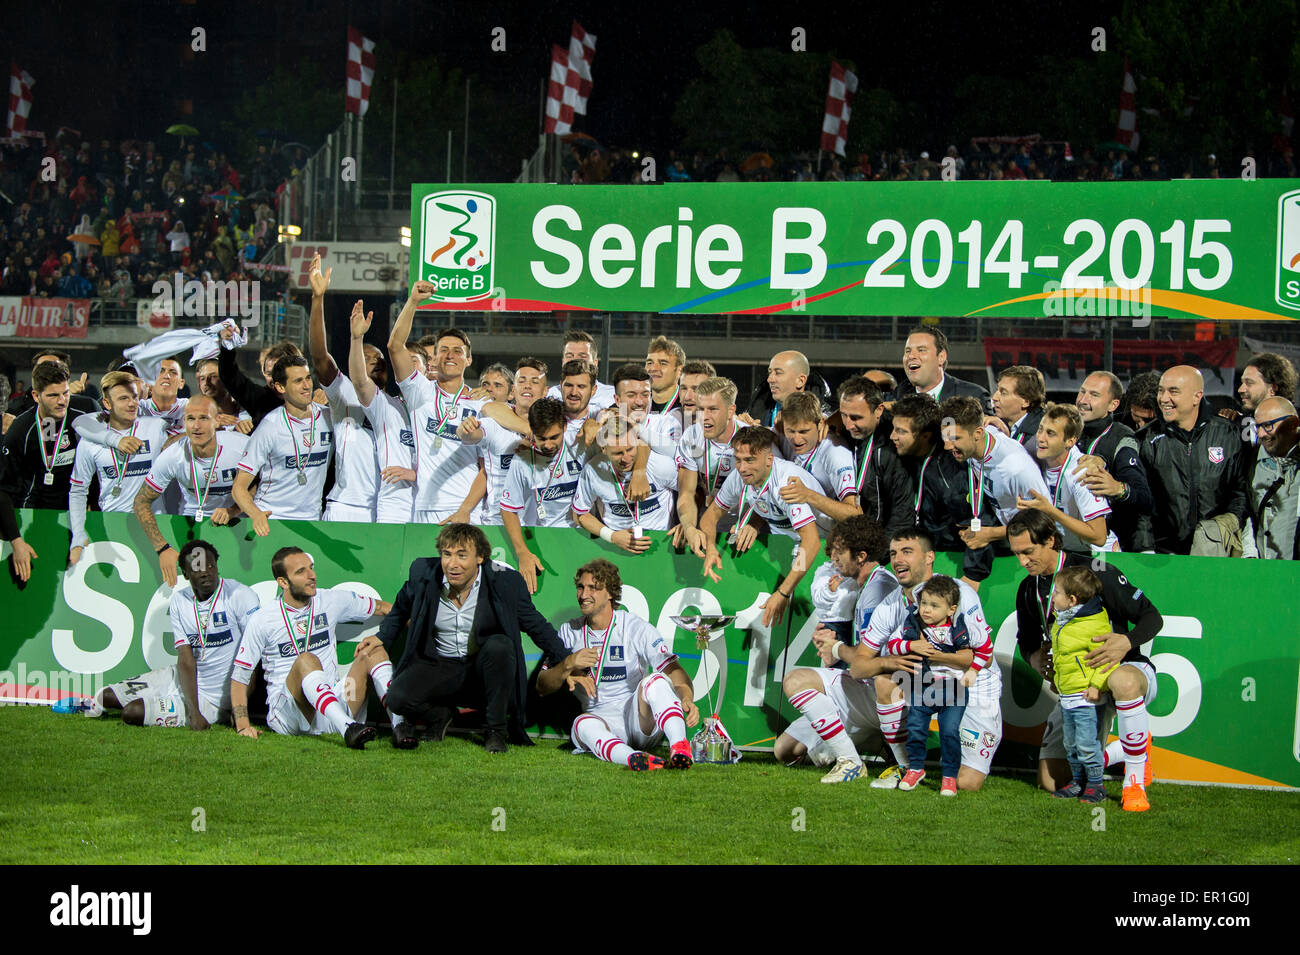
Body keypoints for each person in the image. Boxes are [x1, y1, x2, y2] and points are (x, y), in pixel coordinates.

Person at [1007, 508, 1161, 812]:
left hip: (1123, 673)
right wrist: (1034, 659)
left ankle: (1133, 784)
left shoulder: (1096, 571)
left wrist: (1125, 642)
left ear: (1051, 540)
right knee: (1052, 781)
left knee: (1124, 680)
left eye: (1028, 551)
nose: (1023, 561)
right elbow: (1025, 641)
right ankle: (1132, 750)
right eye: (1016, 554)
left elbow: (1151, 617)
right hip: (1078, 689)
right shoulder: (1028, 588)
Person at [834, 528, 1003, 792]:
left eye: (907, 552)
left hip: (973, 684)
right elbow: (858, 667)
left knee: (968, 783)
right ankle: (908, 766)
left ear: (929, 558)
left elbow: (985, 658)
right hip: (927, 686)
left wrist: (936, 656)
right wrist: (890, 662)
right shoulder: (890, 605)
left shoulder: (959, 594)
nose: (898, 559)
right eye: (893, 553)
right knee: (884, 680)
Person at [379, 523, 572, 753]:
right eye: (447, 554)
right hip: (439, 664)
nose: (453, 564)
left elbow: (537, 626)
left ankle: (495, 731)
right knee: (397, 699)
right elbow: (401, 608)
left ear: (480, 557)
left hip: (483, 670)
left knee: (500, 646)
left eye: (462, 555)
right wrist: (382, 638)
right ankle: (440, 715)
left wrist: (568, 661)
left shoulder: (505, 582)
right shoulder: (423, 572)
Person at [538, 559, 699, 770]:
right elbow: (542, 686)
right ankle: (634, 759)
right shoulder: (569, 631)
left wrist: (686, 698)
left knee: (655, 681)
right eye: (580, 587)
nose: (583, 594)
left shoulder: (635, 628)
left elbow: (674, 671)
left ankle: (679, 746)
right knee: (581, 724)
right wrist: (568, 664)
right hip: (600, 718)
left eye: (593, 588)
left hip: (639, 719)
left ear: (611, 593)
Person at [230, 546, 392, 748]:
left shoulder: (331, 600)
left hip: (332, 707)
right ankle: (347, 727)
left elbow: (385, 608)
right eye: (301, 572)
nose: (312, 575)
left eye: (311, 568)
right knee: (307, 659)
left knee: (373, 650)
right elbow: (240, 677)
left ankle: (400, 726)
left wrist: (425, 622)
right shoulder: (263, 619)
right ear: (283, 582)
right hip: (290, 713)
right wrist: (243, 725)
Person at [775, 515, 897, 780]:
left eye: (840, 552)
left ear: (861, 555)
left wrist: (838, 648)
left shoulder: (879, 591)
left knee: (795, 680)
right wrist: (834, 647)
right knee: (785, 749)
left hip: (884, 692)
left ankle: (851, 760)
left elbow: (870, 660)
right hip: (867, 689)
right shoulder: (868, 586)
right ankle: (877, 741)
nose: (833, 559)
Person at [95, 540, 260, 729]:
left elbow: (253, 658)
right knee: (105, 696)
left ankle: (170, 705)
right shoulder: (180, 601)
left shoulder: (239, 595)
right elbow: (185, 658)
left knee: (132, 712)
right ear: (186, 573)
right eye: (197, 568)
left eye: (210, 565)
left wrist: (238, 710)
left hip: (212, 700)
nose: (206, 572)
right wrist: (193, 711)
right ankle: (83, 704)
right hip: (180, 678)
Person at [697, 426, 821, 627]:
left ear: (769, 459)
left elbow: (811, 542)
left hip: (821, 547)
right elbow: (710, 517)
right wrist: (711, 547)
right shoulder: (740, 477)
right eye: (738, 460)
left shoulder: (785, 483)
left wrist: (782, 592)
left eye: (750, 460)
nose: (742, 468)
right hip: (788, 544)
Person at [889, 575, 990, 796]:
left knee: (949, 731)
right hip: (924, 685)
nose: (926, 610)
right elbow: (893, 646)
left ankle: (949, 778)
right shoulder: (912, 622)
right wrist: (911, 645)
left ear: (951, 609)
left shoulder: (961, 625)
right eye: (924, 603)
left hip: (954, 689)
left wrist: (973, 671)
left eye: (934, 605)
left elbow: (985, 650)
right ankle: (915, 769)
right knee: (915, 727)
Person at [134, 395, 248, 586]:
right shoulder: (173, 456)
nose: (196, 426)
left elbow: (258, 486)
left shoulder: (240, 446)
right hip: (193, 526)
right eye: (190, 419)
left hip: (238, 523)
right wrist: (162, 548)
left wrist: (233, 510)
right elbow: (140, 502)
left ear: (218, 420)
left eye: (203, 418)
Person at [1136, 365, 1247, 555]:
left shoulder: (1228, 434)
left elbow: (1240, 491)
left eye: (1173, 392)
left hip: (1215, 553)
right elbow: (1142, 503)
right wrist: (1145, 548)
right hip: (1164, 555)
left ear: (1197, 396)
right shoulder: (1146, 439)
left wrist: (1224, 529)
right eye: (1161, 391)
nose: (1163, 399)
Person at [889, 393, 993, 587]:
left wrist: (972, 577)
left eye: (900, 431)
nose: (892, 436)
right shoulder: (908, 454)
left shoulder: (952, 471)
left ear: (925, 435)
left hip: (951, 562)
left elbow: (978, 523)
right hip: (917, 557)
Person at [67, 371, 169, 567]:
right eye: (123, 398)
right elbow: (78, 491)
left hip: (154, 527)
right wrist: (78, 535)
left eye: (134, 397)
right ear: (107, 403)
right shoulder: (91, 441)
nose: (132, 404)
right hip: (112, 526)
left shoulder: (156, 428)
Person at [500, 397, 598, 592]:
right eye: (541, 438)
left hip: (583, 536)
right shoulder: (522, 461)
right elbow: (508, 509)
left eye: (554, 437)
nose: (548, 444)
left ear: (564, 426)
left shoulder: (580, 445)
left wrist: (594, 423)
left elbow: (622, 431)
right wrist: (522, 553)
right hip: (546, 538)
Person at [232, 355, 334, 532]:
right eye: (298, 381)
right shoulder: (270, 427)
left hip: (312, 520)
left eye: (308, 378)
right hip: (272, 518)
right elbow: (239, 488)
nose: (307, 386)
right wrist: (256, 515)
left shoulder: (329, 418)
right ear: (280, 387)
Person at [0, 361, 81, 581]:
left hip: (72, 521)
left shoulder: (82, 421)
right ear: (36, 396)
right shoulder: (20, 431)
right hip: (29, 520)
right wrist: (16, 541)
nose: (62, 400)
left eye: (65, 393)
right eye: (53, 395)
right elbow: (3, 490)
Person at [344, 298, 421, 524]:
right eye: (406, 362)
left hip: (433, 504)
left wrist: (415, 474)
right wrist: (357, 338)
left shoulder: (442, 413)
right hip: (395, 507)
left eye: (415, 362)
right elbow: (359, 381)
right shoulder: (387, 406)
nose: (410, 368)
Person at [940, 395, 1049, 552]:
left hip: (1029, 544)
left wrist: (990, 534)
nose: (947, 446)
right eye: (945, 438)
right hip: (1004, 530)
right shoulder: (986, 430)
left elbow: (1045, 520)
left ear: (978, 434)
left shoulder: (1017, 468)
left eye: (954, 438)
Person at [1045, 564, 1117, 804]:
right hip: (1068, 696)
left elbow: (1109, 660)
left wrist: (1097, 685)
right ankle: (1078, 781)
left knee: (1087, 743)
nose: (1051, 596)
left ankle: (1096, 785)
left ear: (1072, 599)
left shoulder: (1095, 624)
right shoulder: (1062, 620)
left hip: (1086, 698)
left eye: (1056, 593)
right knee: (1070, 743)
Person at [1020, 402, 1118, 552]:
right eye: (1040, 430)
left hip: (1097, 554)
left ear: (1070, 441)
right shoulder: (1037, 452)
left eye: (1051, 433)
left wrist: (1050, 511)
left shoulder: (1082, 474)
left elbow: (1099, 537)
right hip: (1067, 550)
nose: (1040, 438)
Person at [572, 414, 678, 552]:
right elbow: (580, 515)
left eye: (630, 449)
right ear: (603, 448)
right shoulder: (592, 471)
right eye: (618, 453)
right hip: (615, 547)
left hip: (662, 544)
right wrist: (612, 536)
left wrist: (686, 524)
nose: (626, 458)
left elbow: (691, 493)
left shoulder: (660, 465)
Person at [1071, 371, 1151, 551]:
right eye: (1082, 392)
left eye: (1094, 395)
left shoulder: (1121, 438)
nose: (1083, 400)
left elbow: (1144, 498)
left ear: (1113, 404)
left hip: (1104, 543)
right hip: (1066, 537)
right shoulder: (1065, 428)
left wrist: (1118, 488)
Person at [830, 376, 912, 534]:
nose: (848, 425)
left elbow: (901, 513)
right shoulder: (841, 434)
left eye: (856, 417)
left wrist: (879, 554)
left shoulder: (893, 447)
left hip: (880, 545)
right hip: (851, 539)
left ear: (878, 411)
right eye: (843, 415)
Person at [475, 357, 546, 527]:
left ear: (545, 392)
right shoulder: (495, 420)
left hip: (538, 523)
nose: (527, 385)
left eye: (534, 382)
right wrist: (529, 432)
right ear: (513, 390)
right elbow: (488, 407)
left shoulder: (554, 424)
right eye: (522, 381)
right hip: (497, 522)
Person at [674, 376, 742, 554]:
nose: (705, 417)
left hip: (743, 526)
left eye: (713, 409)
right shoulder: (692, 436)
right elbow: (686, 494)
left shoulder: (750, 439)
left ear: (730, 411)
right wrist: (689, 526)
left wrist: (753, 524)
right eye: (701, 409)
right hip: (706, 521)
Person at [774, 391, 859, 533]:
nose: (796, 439)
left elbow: (855, 515)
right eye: (791, 431)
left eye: (803, 432)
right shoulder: (780, 435)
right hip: (790, 528)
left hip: (826, 536)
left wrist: (808, 494)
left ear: (820, 423)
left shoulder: (836, 453)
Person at [1242, 396, 1299, 559]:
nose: (1260, 434)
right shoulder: (1251, 462)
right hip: (1264, 571)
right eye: (1257, 426)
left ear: (1293, 423)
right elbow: (1247, 513)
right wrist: (1250, 553)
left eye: (1267, 426)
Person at [890, 326, 992, 413]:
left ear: (941, 357)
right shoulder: (897, 396)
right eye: (907, 351)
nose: (911, 356)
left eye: (921, 350)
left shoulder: (974, 396)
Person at [1224, 352, 1299, 445]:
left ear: (1273, 388)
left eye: (1249, 383)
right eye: (1242, 382)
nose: (1240, 389)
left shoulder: (1295, 429)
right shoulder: (1238, 422)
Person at [610, 362, 680, 456]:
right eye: (631, 395)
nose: (639, 402)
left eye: (645, 395)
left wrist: (636, 428)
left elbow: (676, 453)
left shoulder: (667, 422)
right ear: (617, 400)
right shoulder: (608, 429)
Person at [544, 329, 616, 410]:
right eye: (570, 356)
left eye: (582, 356)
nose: (575, 360)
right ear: (563, 362)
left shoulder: (613, 394)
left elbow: (623, 422)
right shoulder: (550, 395)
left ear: (595, 364)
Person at [991, 365, 1045, 455]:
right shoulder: (996, 424)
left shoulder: (1040, 435)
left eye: (1003, 393)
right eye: (997, 390)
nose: (994, 397)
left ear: (1026, 401)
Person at [194, 358, 253, 434]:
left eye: (213, 376)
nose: (206, 383)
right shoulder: (193, 417)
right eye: (202, 378)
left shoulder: (250, 412)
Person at [644, 334, 686, 413]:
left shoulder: (688, 407)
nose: (653, 368)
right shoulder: (635, 404)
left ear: (679, 371)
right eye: (649, 363)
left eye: (663, 363)